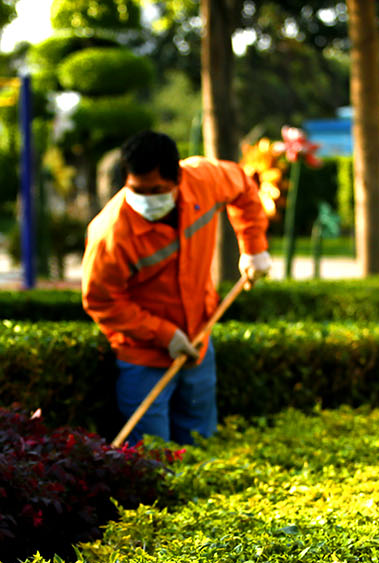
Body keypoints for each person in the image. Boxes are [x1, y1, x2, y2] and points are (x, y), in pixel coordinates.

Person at [82, 130, 271, 444]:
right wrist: (163, 334)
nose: (146, 199)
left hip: (199, 336)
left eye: (156, 190)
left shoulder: (204, 179)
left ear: (178, 178)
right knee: (151, 457)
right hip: (142, 356)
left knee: (200, 441)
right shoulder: (110, 233)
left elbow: (243, 186)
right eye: (137, 189)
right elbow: (101, 300)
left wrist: (253, 248)